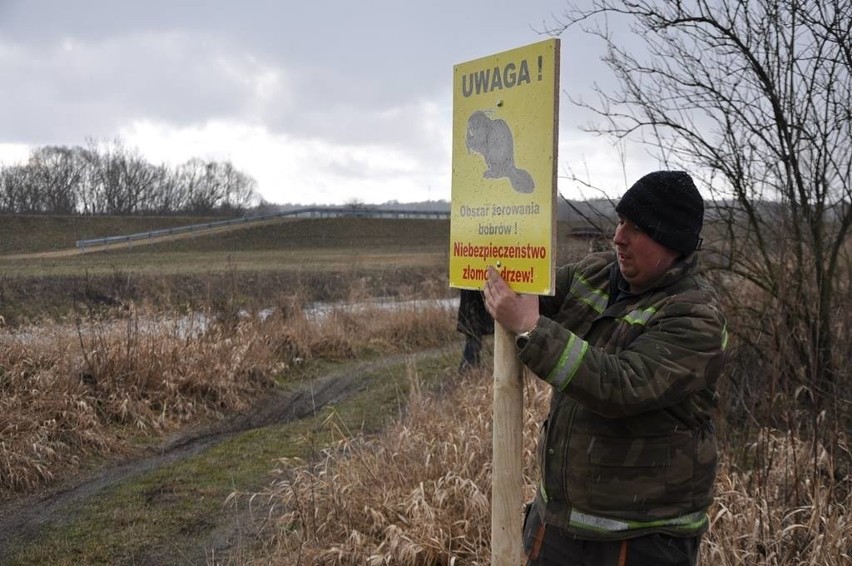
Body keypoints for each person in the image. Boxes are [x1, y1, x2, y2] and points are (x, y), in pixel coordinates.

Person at [483, 171, 727, 565]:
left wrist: (531, 327)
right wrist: (492, 271)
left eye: (638, 228)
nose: (619, 237)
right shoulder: (594, 274)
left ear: (672, 242)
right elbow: (527, 292)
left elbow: (620, 385)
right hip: (559, 522)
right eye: (620, 221)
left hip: (641, 538)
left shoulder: (696, 318)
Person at [456, 288, 494, 372]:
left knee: (473, 342)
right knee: (473, 343)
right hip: (473, 312)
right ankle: (467, 370)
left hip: (471, 311)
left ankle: (470, 370)